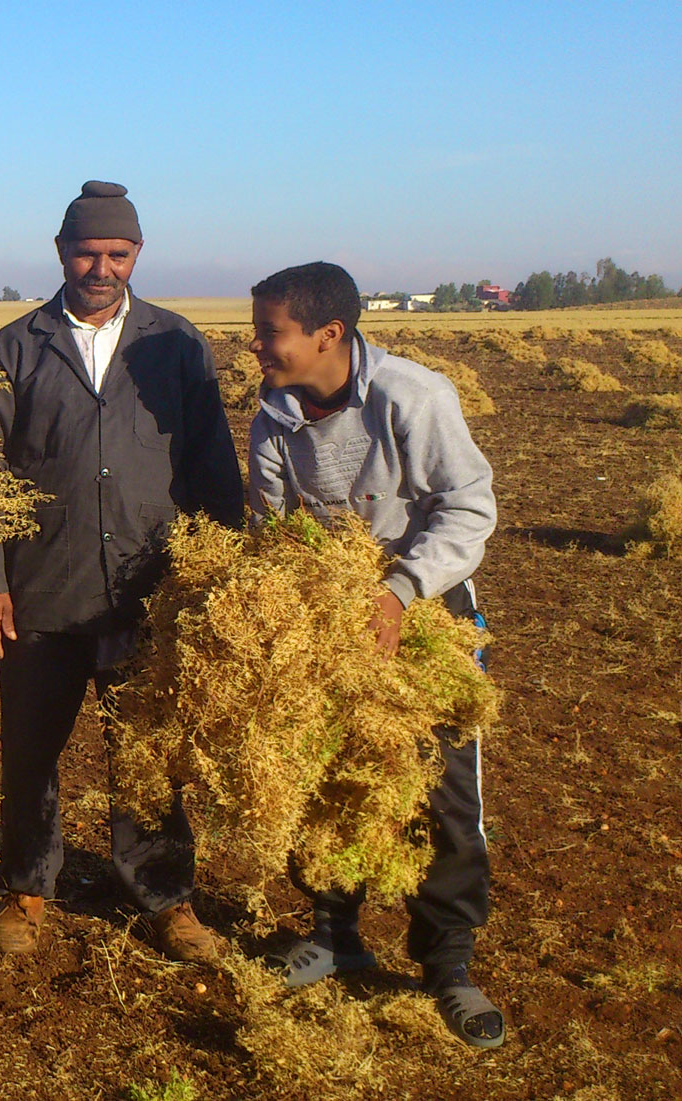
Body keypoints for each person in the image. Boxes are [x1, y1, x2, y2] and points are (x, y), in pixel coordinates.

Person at [0, 182, 244, 963]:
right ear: (61, 252)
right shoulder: (16, 346)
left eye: (117, 253)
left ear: (137, 255)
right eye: (87, 251)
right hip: (41, 589)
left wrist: (217, 576)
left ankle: (167, 897)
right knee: (29, 749)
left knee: (151, 751)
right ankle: (26, 888)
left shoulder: (175, 343)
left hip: (148, 591)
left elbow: (213, 468)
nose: (101, 266)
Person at [246, 261, 503, 1048]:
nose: (256, 346)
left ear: (329, 334)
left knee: (444, 790)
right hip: (328, 621)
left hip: (423, 615)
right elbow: (270, 527)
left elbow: (469, 507)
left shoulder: (414, 398)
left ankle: (449, 963)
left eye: (270, 332)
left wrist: (397, 590)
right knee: (323, 778)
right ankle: (334, 928)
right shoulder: (273, 415)